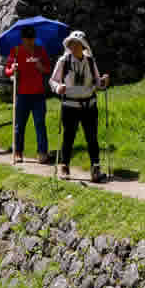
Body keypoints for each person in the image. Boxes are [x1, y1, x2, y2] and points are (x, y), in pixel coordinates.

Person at [49, 30, 109, 183]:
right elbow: (52, 81)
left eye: (77, 44)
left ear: (83, 46)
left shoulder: (90, 61)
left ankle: (95, 168)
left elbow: (97, 83)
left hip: (89, 105)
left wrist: (102, 81)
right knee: (68, 136)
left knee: (92, 137)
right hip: (70, 105)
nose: (73, 47)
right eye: (71, 44)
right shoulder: (64, 61)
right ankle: (64, 166)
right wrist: (58, 88)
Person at [3, 25, 53, 165]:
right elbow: (7, 70)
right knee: (19, 125)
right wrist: (13, 68)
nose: (30, 42)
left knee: (40, 124)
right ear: (22, 39)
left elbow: (48, 69)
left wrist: (40, 66)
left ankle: (42, 153)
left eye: (32, 39)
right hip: (22, 94)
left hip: (38, 94)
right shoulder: (16, 51)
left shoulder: (40, 51)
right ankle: (18, 152)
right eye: (27, 39)